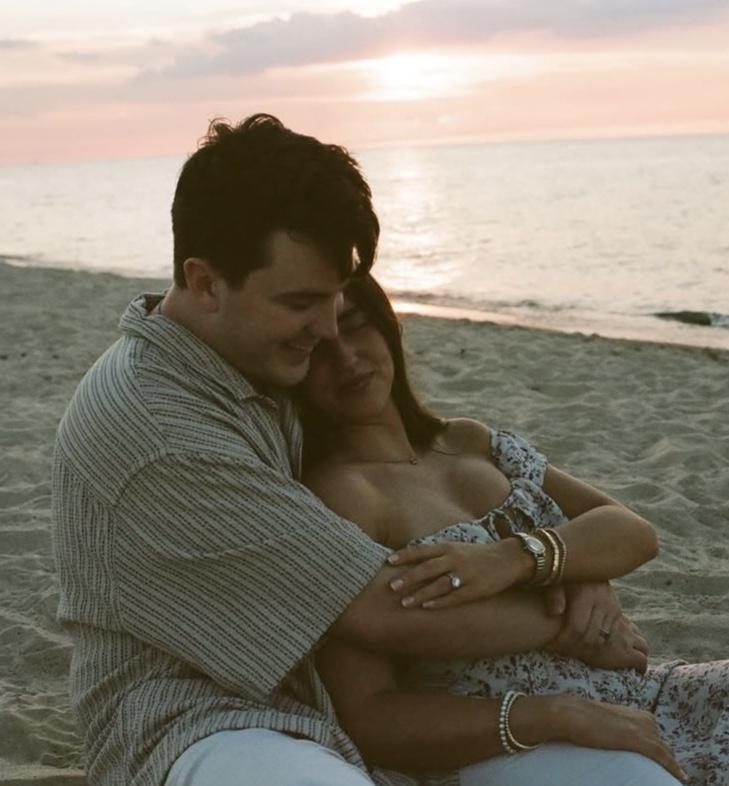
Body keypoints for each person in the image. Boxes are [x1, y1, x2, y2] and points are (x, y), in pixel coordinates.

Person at [51, 113, 646, 786]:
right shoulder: (162, 431)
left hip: (340, 701)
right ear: (206, 282)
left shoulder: (251, 360)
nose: (329, 329)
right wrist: (565, 602)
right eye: (302, 301)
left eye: (337, 297)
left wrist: (552, 558)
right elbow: (386, 610)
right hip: (200, 719)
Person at [296, 273, 729, 786]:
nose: (345, 357)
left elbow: (631, 531)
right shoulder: (342, 496)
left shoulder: (468, 441)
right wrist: (553, 709)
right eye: (319, 348)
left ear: (388, 325)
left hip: (638, 697)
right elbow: (370, 714)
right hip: (517, 738)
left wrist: (525, 560)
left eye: (356, 325)